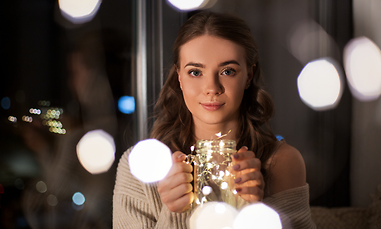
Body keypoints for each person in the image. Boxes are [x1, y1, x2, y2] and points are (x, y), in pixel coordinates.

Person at [113, 11, 316, 229]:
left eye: (227, 71)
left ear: (248, 76)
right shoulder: (141, 166)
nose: (212, 88)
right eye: (195, 72)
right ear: (179, 77)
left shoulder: (281, 163)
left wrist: (254, 213)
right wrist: (176, 213)